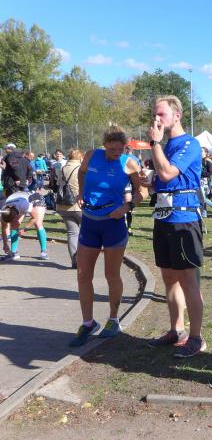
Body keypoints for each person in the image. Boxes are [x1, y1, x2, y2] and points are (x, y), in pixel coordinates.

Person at [145, 95, 206, 358]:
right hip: (163, 218)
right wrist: (148, 181)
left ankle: (197, 338)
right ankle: (176, 329)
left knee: (188, 280)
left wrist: (154, 144)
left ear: (177, 115)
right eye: (154, 115)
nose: (156, 119)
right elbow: (162, 180)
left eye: (161, 114)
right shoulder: (166, 145)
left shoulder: (189, 144)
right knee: (169, 278)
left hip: (184, 221)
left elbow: (168, 173)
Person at [70, 126, 143, 346]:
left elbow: (142, 192)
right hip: (90, 221)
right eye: (112, 150)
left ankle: (113, 320)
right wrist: (81, 192)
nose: (116, 153)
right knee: (83, 274)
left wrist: (127, 207)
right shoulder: (92, 155)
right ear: (104, 146)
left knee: (111, 274)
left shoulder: (129, 162)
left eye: (120, 149)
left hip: (113, 223)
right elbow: (82, 172)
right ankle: (88, 323)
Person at [1, 190, 48, 261]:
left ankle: (44, 251)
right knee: (14, 225)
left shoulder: (24, 205)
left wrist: (24, 229)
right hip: (19, 201)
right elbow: (4, 228)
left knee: (37, 223)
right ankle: (14, 253)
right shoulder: (4, 210)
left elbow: (34, 218)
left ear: (16, 214)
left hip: (36, 199)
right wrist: (5, 244)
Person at [56, 149, 83, 268]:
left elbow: (58, 183)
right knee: (87, 233)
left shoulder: (62, 168)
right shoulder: (81, 169)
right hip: (78, 204)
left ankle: (74, 260)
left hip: (63, 205)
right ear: (80, 157)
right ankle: (83, 258)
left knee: (72, 233)